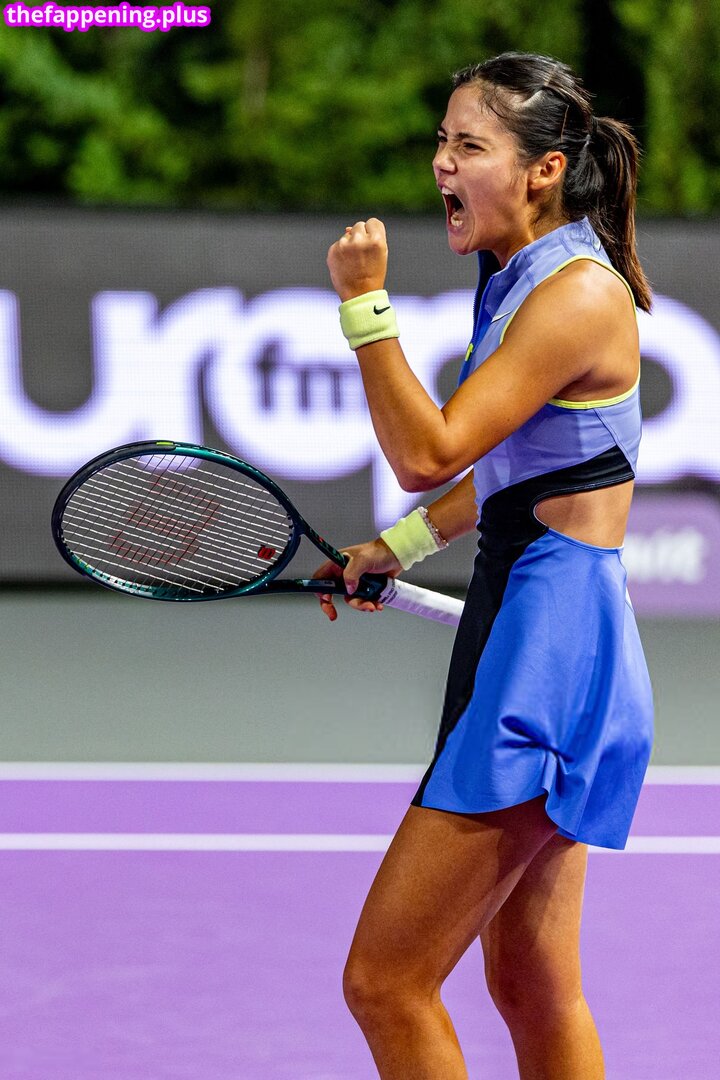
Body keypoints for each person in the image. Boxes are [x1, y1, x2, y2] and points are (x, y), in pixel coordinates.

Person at [314, 51, 654, 1080]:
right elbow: (509, 471)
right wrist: (398, 547)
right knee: (533, 986)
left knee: (385, 981)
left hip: (545, 659)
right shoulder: (521, 276)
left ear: (543, 170)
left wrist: (365, 308)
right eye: (442, 141)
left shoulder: (577, 294)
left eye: (470, 145)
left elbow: (429, 453)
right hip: (545, 638)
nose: (442, 164)